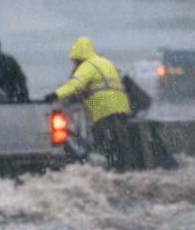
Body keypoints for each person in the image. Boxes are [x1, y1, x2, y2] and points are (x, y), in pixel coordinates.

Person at [45, 36, 136, 171]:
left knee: (107, 144)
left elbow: (75, 84)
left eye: (75, 61)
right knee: (120, 142)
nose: (75, 64)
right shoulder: (105, 62)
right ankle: (127, 170)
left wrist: (55, 95)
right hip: (121, 106)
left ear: (79, 57)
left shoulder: (87, 66)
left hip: (104, 108)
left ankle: (113, 171)